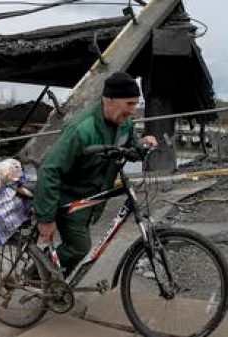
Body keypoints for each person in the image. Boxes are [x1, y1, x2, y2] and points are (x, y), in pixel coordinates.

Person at [33, 71, 158, 277]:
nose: (133, 110)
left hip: (92, 199)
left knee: (76, 252)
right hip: (69, 199)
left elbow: (130, 146)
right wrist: (45, 218)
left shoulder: (123, 124)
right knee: (79, 248)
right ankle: (34, 276)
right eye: (129, 104)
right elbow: (49, 170)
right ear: (108, 100)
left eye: (135, 104)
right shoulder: (81, 129)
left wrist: (143, 145)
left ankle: (58, 286)